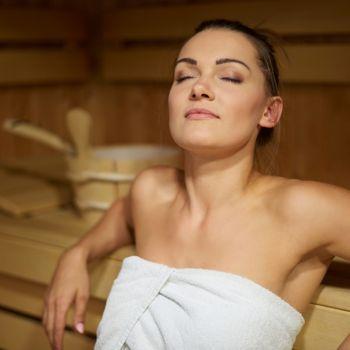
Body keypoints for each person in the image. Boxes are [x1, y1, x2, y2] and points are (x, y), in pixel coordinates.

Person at [42, 19, 350, 350]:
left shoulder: (301, 209)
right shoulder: (152, 190)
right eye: (184, 75)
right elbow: (122, 213)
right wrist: (77, 254)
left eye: (230, 76)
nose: (198, 87)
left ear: (269, 111)